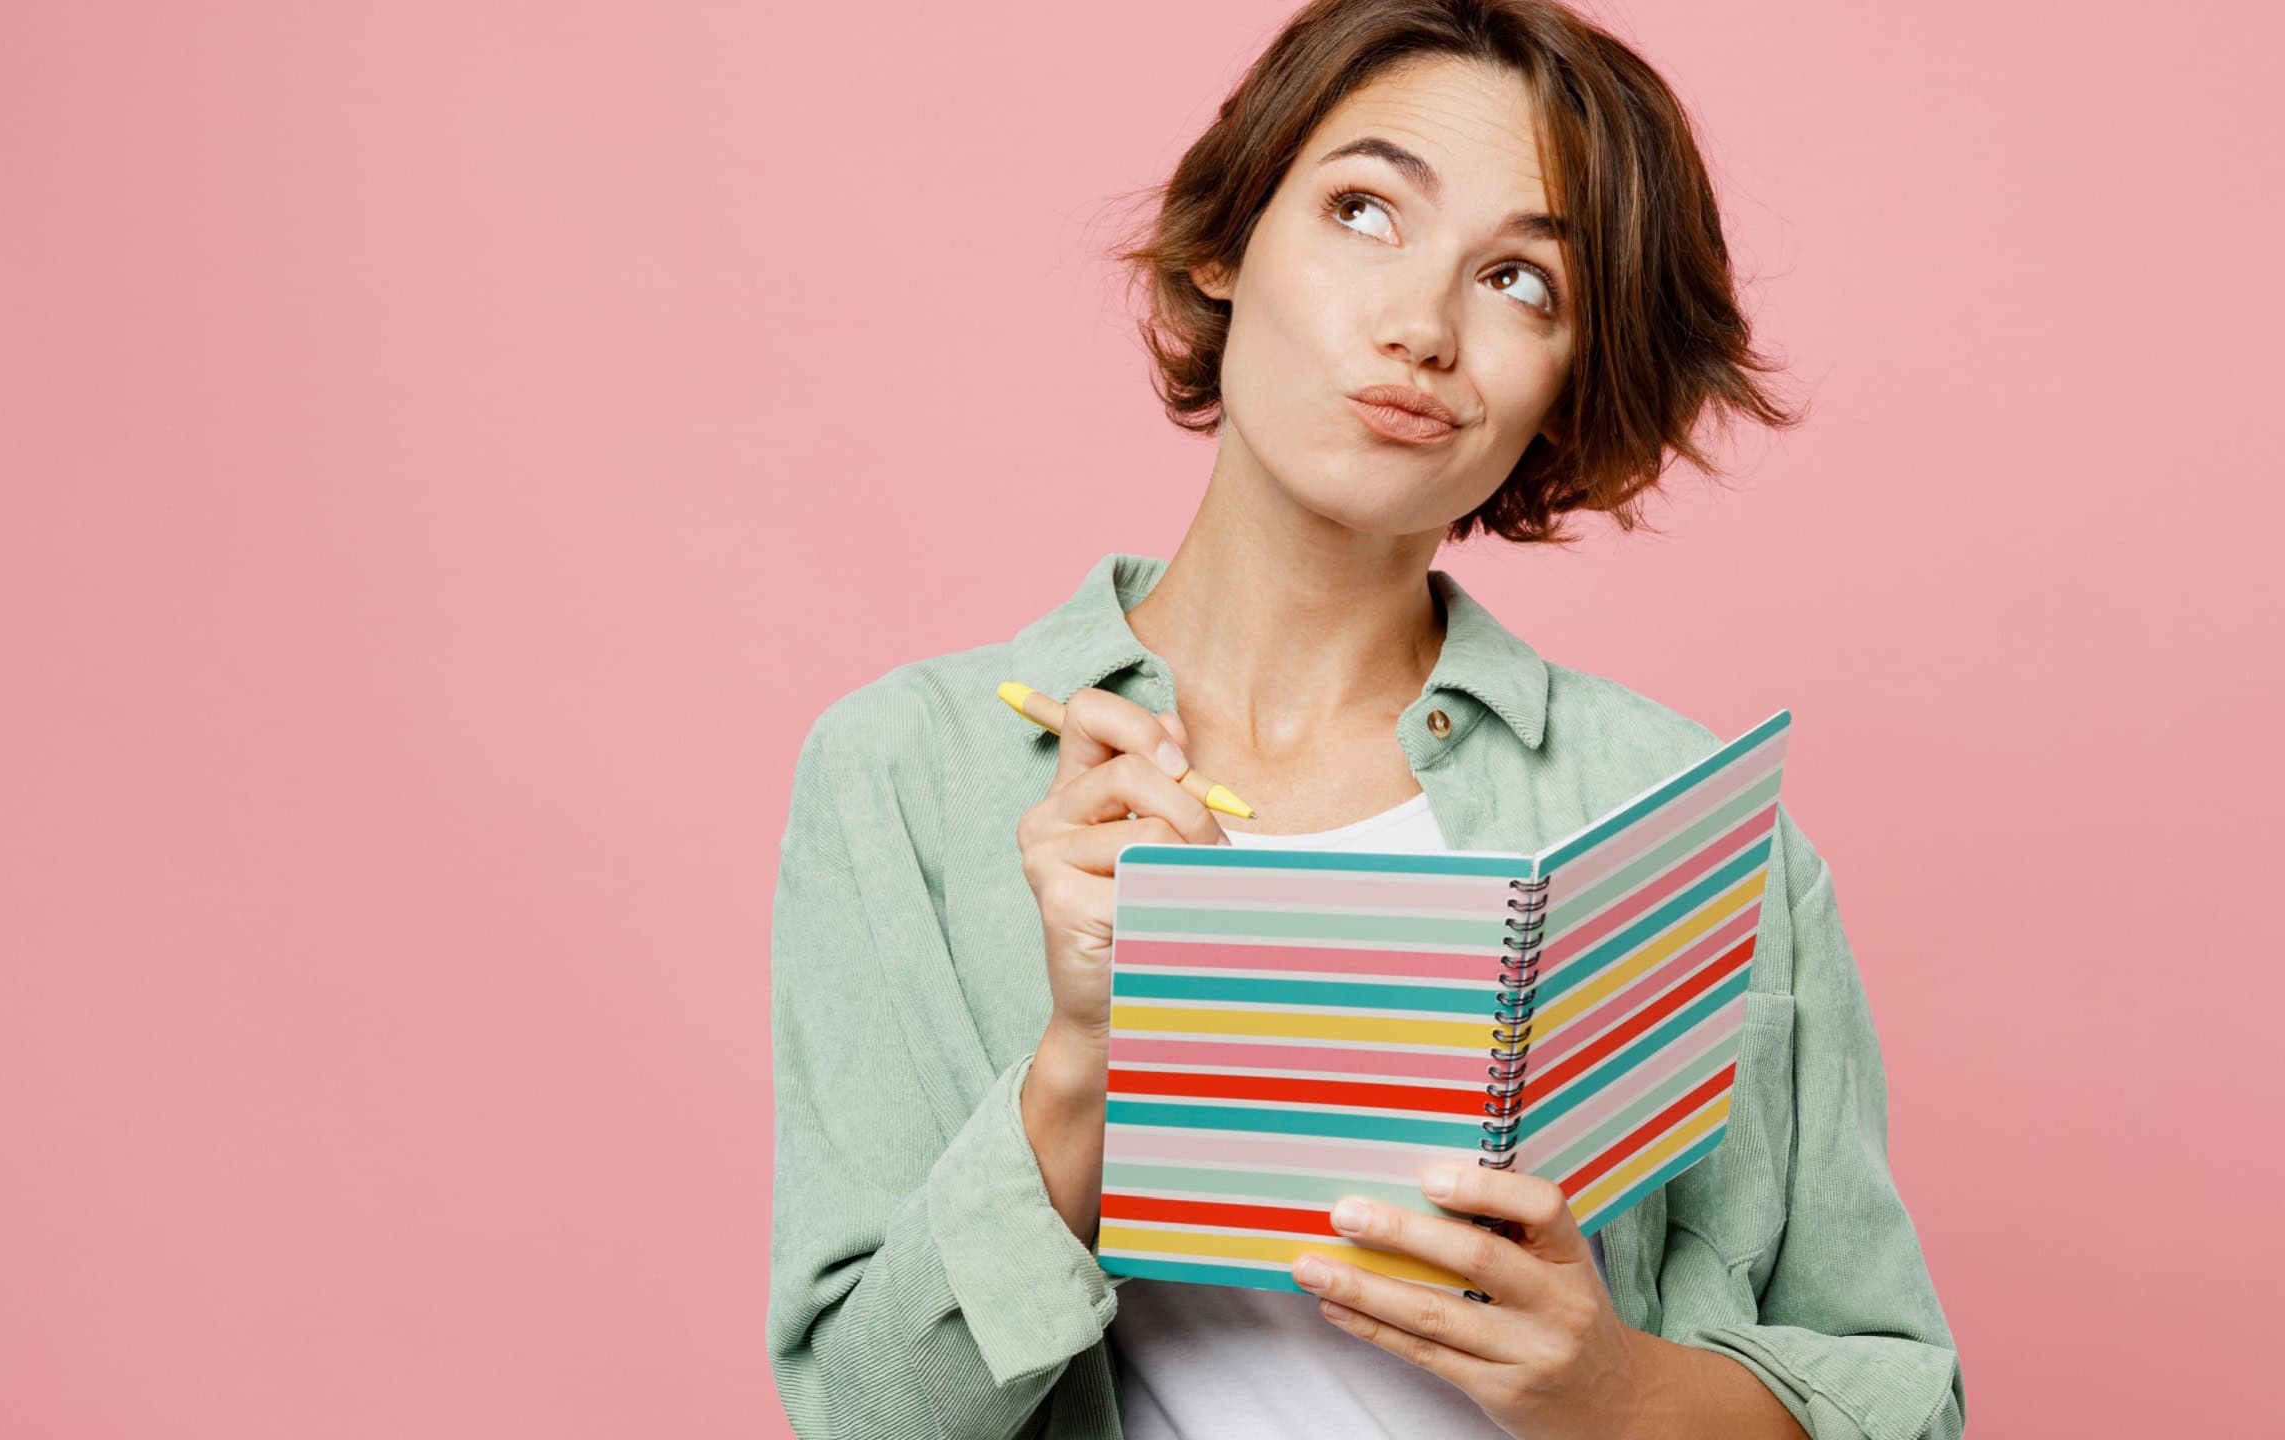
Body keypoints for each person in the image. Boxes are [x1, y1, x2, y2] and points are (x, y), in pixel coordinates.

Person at [765, 1, 1965, 1436]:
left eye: (1521, 282)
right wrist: (1080, 1063)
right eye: (1363, 211)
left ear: (1571, 382)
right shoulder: (912, 773)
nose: (1421, 328)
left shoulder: (1706, 836)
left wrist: (1615, 1389)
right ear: (1227, 240)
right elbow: (863, 1414)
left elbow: (1905, 1405)